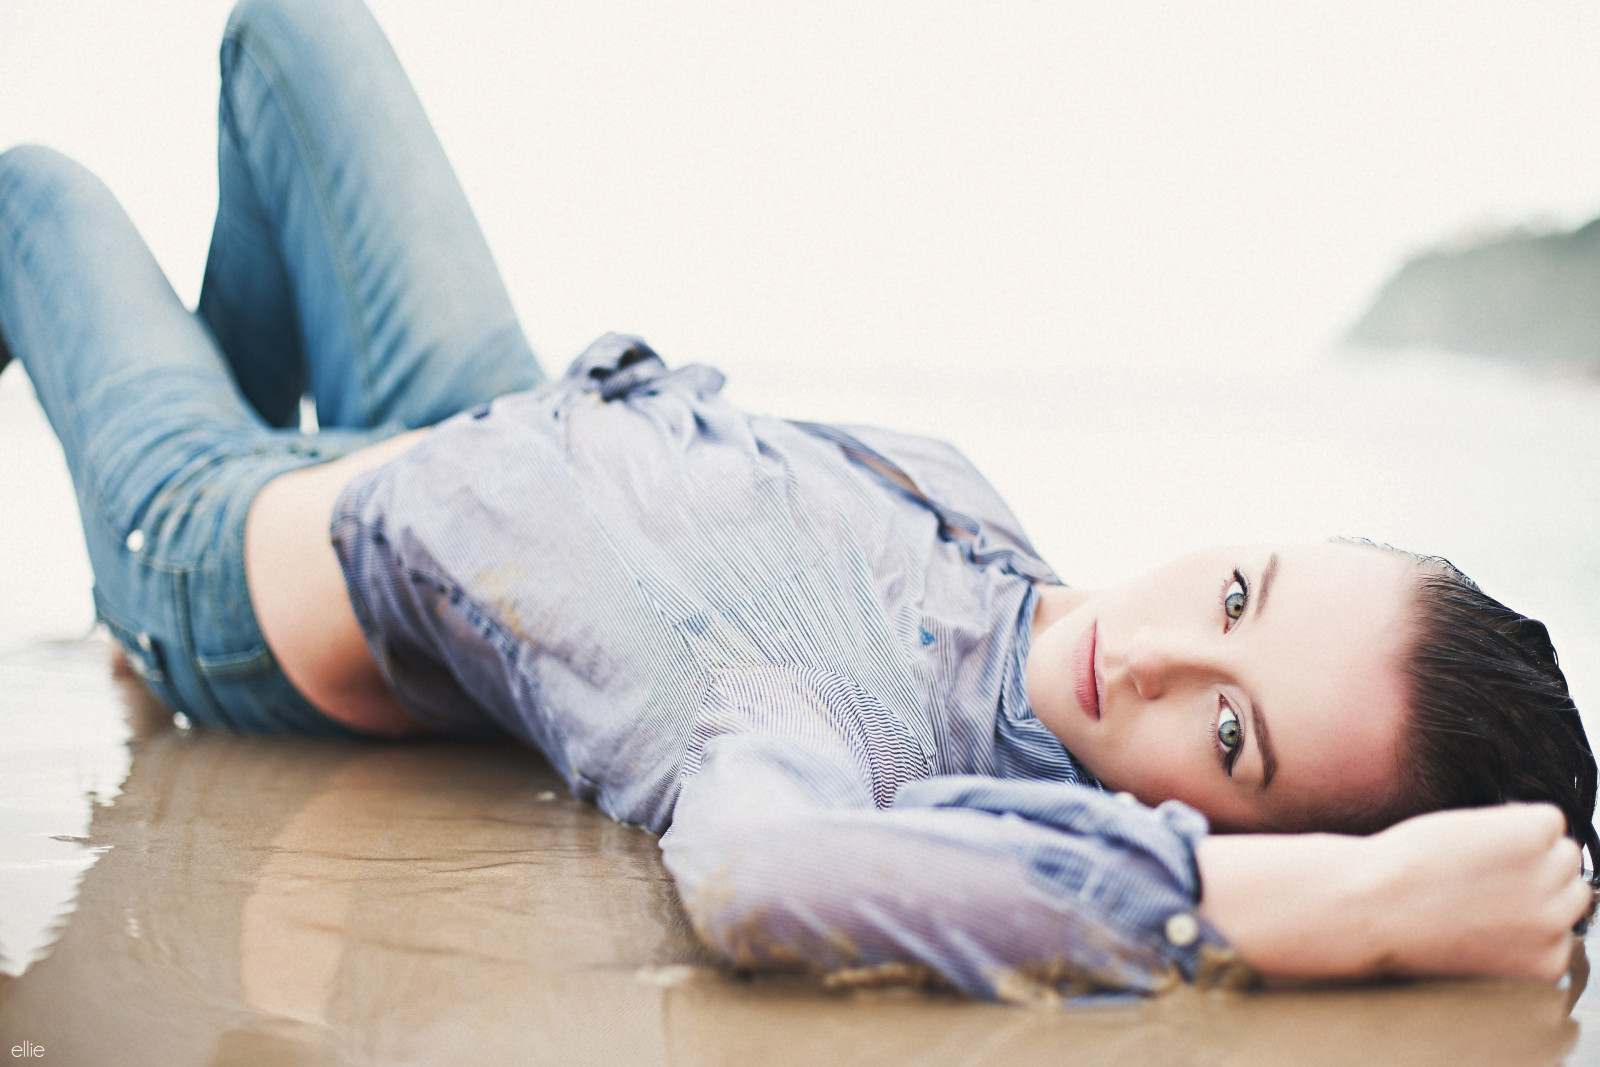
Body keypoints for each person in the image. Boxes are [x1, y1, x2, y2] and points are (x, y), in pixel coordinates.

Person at [0, 0, 1592, 1001]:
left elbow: (763, 885)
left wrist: (1342, 904)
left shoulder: (856, 756)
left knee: (35, 195)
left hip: (232, 550)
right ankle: (186, 505)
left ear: (1220, 831)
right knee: (289, 26)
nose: (1164, 654)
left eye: (1229, 738)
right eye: (1241, 593)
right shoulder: (998, 548)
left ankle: (155, 630)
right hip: (460, 408)